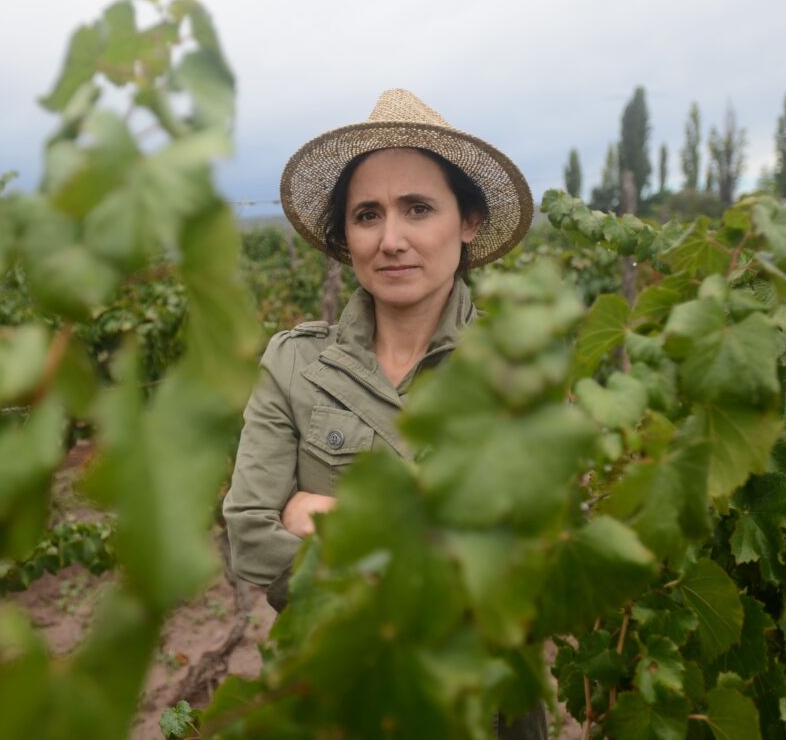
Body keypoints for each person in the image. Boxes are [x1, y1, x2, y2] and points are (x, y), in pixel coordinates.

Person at [222, 89, 545, 737]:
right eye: (367, 215)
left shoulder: (520, 369)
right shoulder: (294, 363)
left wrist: (326, 519)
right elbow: (251, 537)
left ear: (469, 220)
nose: (391, 240)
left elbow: (528, 573)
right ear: (347, 236)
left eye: (418, 208)